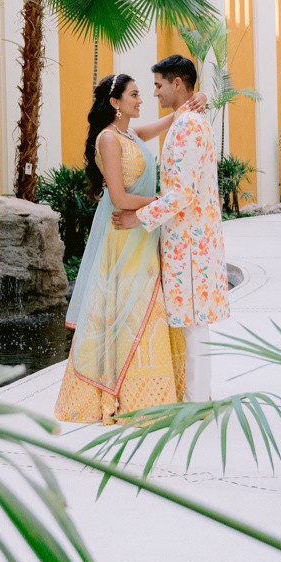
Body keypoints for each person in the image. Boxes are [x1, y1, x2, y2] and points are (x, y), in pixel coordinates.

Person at [53, 74, 198, 424]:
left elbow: (169, 121)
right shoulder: (108, 139)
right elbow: (118, 198)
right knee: (125, 312)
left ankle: (155, 394)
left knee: (149, 309)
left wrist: (195, 101)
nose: (141, 98)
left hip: (143, 233)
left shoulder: (130, 134)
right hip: (123, 236)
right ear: (115, 102)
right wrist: (163, 202)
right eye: (134, 94)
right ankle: (122, 396)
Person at [116, 54, 230, 400]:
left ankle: (196, 401)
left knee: (195, 328)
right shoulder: (188, 121)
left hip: (191, 244)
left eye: (159, 85)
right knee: (192, 326)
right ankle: (195, 397)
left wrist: (138, 217)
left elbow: (180, 194)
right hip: (191, 240)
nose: (155, 94)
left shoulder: (189, 127)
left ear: (177, 83)